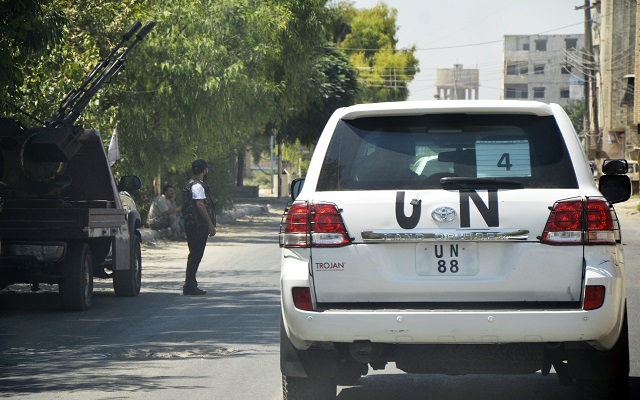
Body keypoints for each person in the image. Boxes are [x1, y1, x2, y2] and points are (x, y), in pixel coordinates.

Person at [181, 159, 216, 295]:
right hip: (198, 225)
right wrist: (210, 224)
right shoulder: (197, 186)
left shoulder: (190, 184)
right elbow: (200, 204)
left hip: (192, 224)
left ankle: (191, 283)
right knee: (196, 254)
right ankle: (189, 285)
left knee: (194, 254)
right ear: (204, 170)